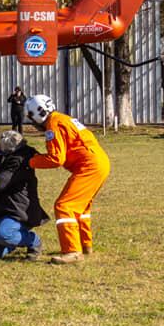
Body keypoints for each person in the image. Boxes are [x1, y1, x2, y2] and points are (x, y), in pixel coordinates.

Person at [25, 94, 111, 264]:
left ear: (37, 114)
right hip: (99, 162)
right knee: (81, 208)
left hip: (89, 166)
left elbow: (56, 159)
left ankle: (72, 250)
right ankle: (85, 246)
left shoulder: (53, 126)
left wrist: (31, 161)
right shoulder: (63, 119)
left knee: (64, 205)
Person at [0, 130, 49, 259]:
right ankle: (11, 242)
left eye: (1, 146)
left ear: (9, 148)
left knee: (4, 235)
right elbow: (5, 164)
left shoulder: (18, 161)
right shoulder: (18, 155)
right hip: (4, 209)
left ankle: (34, 241)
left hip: (18, 210)